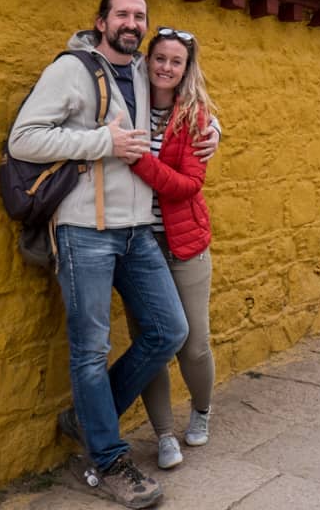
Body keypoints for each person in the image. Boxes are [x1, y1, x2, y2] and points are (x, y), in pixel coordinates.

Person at [8, 0, 216, 509]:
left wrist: (213, 129)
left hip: (137, 230)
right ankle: (107, 459)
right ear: (101, 21)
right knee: (90, 350)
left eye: (139, 15)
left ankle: (86, 419)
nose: (131, 21)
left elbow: (182, 97)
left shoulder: (144, 74)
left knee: (170, 329)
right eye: (122, 13)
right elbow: (24, 139)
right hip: (84, 230)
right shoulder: (73, 69)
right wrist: (102, 143)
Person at [127, 27, 218, 470]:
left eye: (175, 61)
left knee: (193, 344)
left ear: (186, 69)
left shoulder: (195, 117)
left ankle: (201, 410)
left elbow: (187, 186)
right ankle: (164, 435)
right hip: (135, 245)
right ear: (147, 61)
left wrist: (140, 161)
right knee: (153, 342)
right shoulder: (131, 105)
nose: (165, 67)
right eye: (159, 58)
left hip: (184, 244)